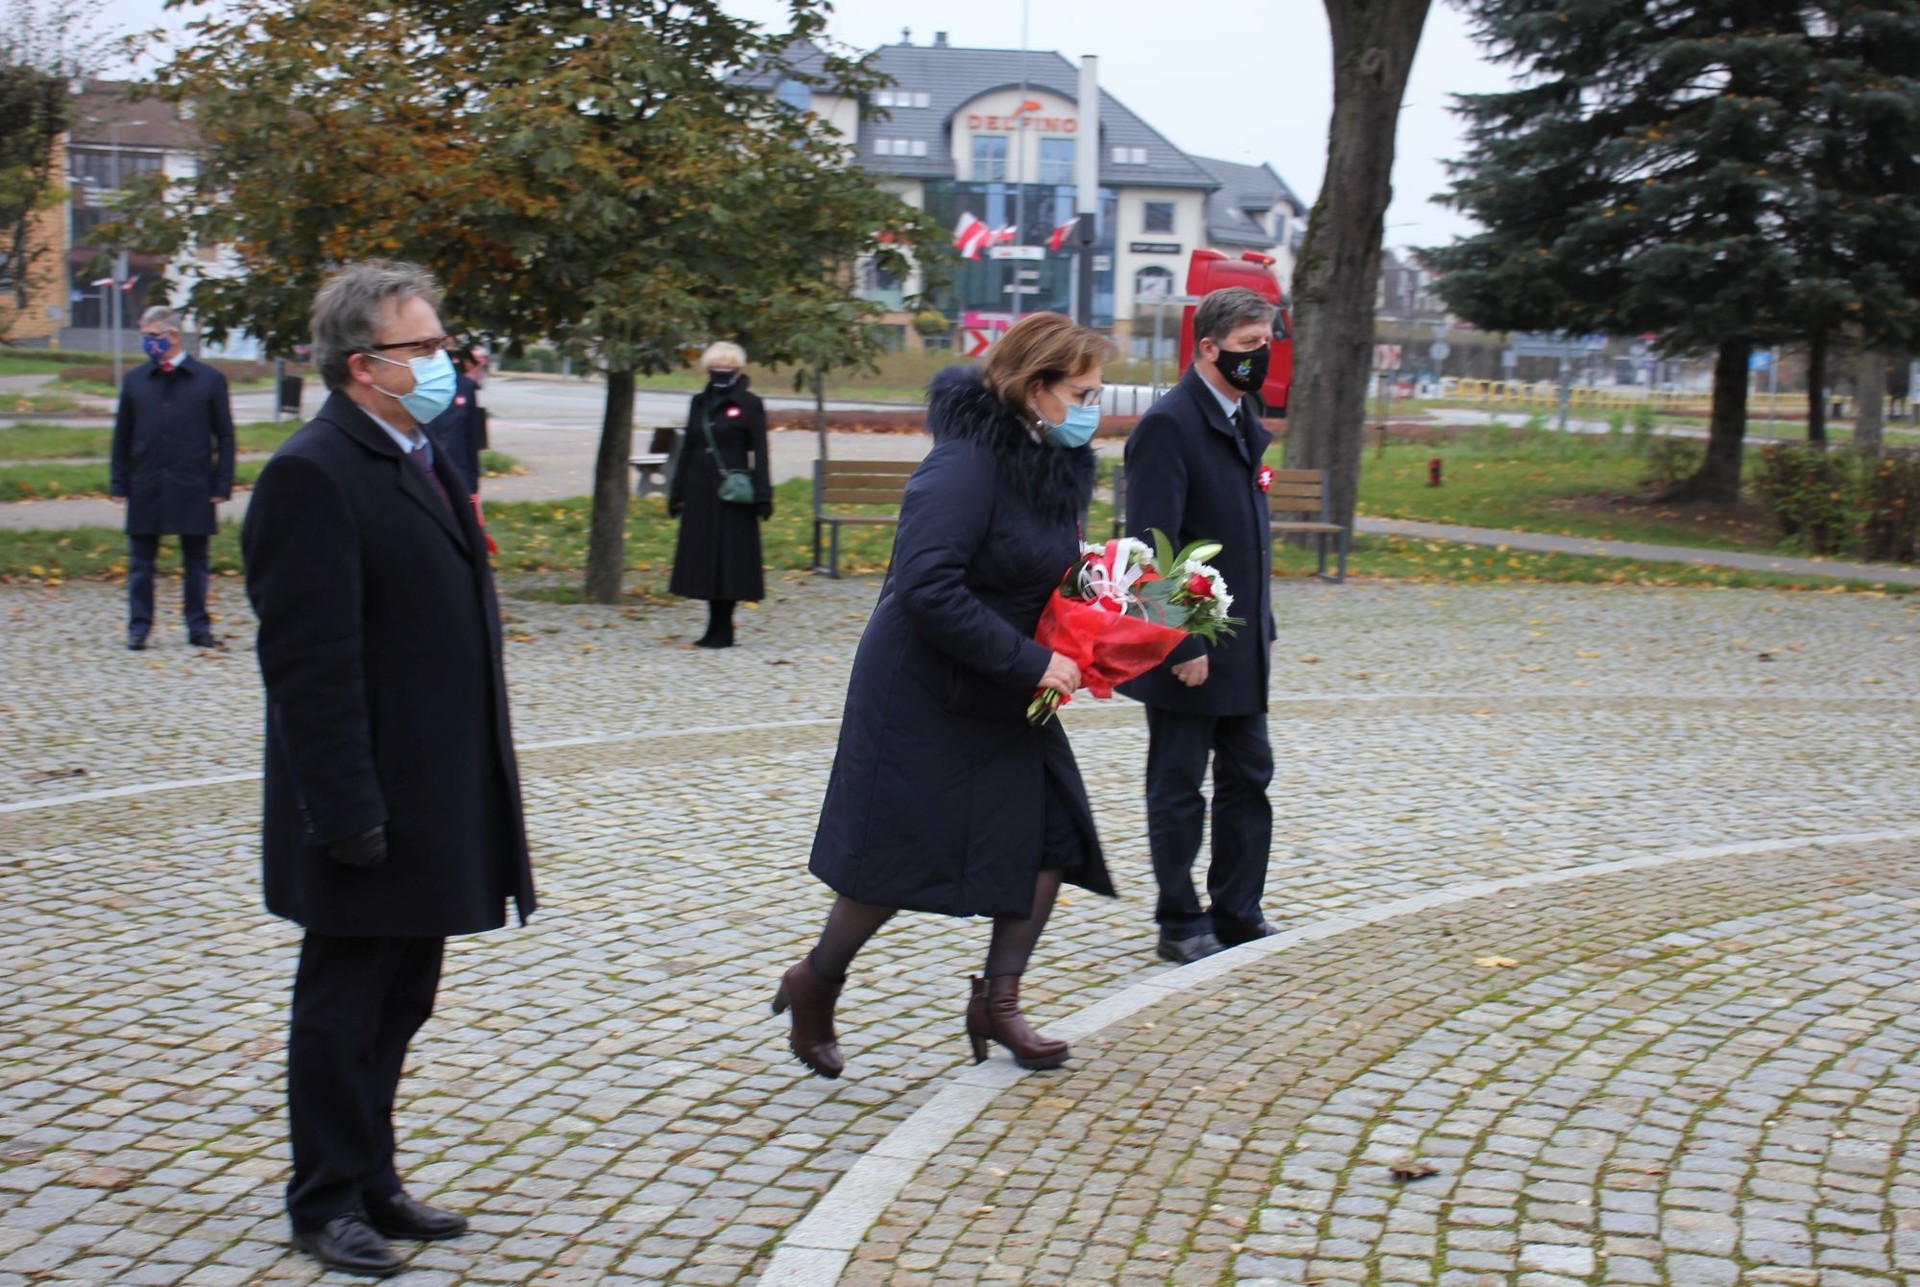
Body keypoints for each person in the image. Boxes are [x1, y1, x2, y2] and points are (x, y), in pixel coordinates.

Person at [241, 261, 536, 1279]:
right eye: (426, 346)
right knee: (343, 1008)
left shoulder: (417, 449)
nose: (447, 360)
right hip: (363, 800)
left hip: (430, 790)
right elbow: (310, 666)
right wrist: (345, 810)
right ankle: (323, 1200)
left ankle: (372, 1176)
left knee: (401, 998)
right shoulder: (314, 472)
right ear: (365, 365)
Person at [777, 312, 1113, 1080]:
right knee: (896, 858)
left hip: (1006, 683)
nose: (1095, 409)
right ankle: (816, 980)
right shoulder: (963, 464)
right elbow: (928, 588)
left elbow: (1038, 567)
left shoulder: (1048, 462)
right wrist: (1030, 660)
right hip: (927, 690)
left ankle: (999, 1000)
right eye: (1084, 393)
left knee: (1051, 835)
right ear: (1035, 387)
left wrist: (1101, 615)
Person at [1120, 287, 1279, 964]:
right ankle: (1180, 920)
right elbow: (1150, 546)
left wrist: (1264, 623)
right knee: (1180, 784)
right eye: (1248, 346)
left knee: (1249, 774)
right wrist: (1181, 638)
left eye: (1265, 343)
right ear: (1207, 347)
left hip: (1241, 642)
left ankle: (1238, 910)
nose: (1260, 356)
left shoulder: (1243, 415)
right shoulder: (1169, 424)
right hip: (1189, 642)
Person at [109, 305, 236, 650]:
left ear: (174, 335)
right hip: (146, 482)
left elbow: (225, 436)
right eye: (144, 336)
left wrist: (222, 483)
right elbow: (122, 436)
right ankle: (139, 627)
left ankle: (198, 626)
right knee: (140, 563)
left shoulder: (209, 380)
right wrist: (119, 482)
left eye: (152, 336)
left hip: (193, 483)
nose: (147, 342)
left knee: (196, 561)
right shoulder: (136, 381)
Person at [667, 342, 772, 648]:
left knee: (730, 560)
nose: (721, 372)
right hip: (700, 491)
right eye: (716, 367)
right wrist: (677, 491)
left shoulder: (750, 404)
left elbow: (760, 452)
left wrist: (763, 494)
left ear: (738, 370)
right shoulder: (699, 402)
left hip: (733, 494)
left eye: (727, 368)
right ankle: (713, 626)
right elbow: (688, 448)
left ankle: (724, 628)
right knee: (705, 559)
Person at [424, 348, 486, 497]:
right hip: (426, 472)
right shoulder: (418, 386)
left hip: (459, 471)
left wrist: (473, 480)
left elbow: (472, 437)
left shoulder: (465, 387)